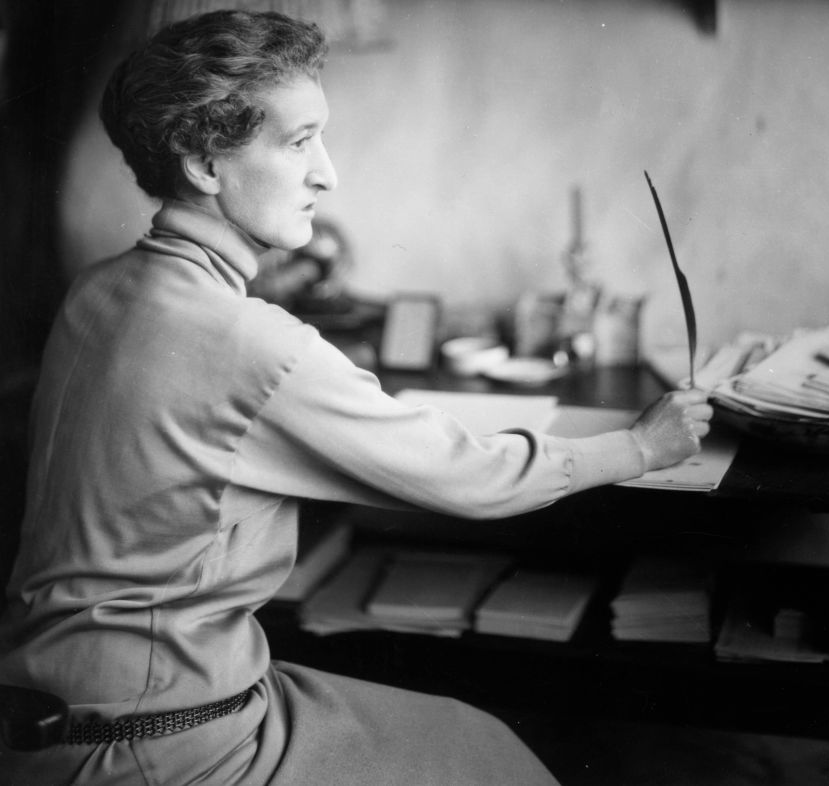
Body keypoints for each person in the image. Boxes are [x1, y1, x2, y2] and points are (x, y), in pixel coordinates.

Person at [0, 10, 712, 785]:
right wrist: (641, 446)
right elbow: (465, 476)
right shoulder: (252, 342)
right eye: (299, 140)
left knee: (467, 736)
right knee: (498, 762)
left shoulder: (96, 291)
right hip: (154, 744)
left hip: (50, 710)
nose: (327, 173)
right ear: (205, 164)